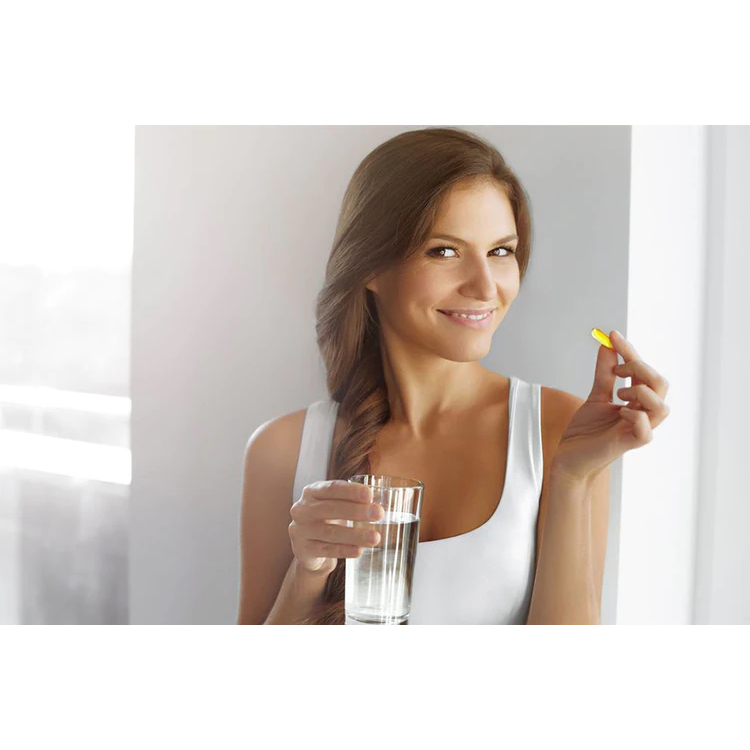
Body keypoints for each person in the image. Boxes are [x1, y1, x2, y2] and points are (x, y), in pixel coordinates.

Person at [237, 127, 670, 625]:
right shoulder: (282, 450)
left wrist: (573, 477)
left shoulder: (558, 428)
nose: (485, 287)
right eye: (444, 251)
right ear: (370, 268)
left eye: (500, 251)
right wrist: (307, 572)